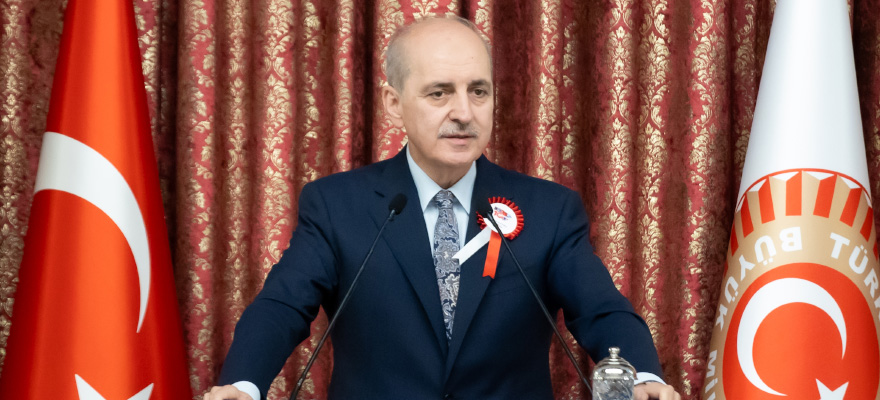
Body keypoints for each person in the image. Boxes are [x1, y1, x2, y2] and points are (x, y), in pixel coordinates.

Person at [205, 16, 681, 400]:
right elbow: (282, 306)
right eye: (439, 93)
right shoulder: (337, 205)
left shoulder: (548, 209)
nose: (464, 112)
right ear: (394, 104)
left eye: (479, 91)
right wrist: (244, 384)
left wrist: (642, 376)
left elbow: (601, 309)